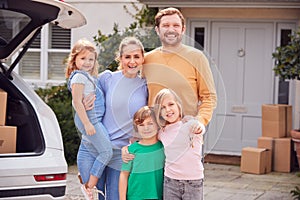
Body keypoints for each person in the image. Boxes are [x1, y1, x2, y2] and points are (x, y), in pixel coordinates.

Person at [81, 36, 148, 200]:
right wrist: (84, 103)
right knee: (95, 195)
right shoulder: (107, 78)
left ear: (142, 58)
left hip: (121, 153)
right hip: (96, 148)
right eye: (127, 57)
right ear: (120, 58)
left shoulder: (145, 86)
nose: (132, 61)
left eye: (136, 57)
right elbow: (88, 98)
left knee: (116, 197)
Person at [143, 7, 217, 127]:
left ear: (183, 29)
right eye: (166, 25)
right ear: (157, 30)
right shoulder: (147, 59)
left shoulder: (197, 57)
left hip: (186, 132)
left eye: (176, 25)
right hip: (154, 133)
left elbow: (209, 97)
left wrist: (199, 121)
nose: (171, 30)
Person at [65, 38, 112, 200]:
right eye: (83, 58)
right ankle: (89, 186)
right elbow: (77, 102)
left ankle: (84, 177)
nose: (87, 62)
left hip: (94, 119)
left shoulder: (88, 77)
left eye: (91, 59)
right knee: (107, 151)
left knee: (98, 148)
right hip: (91, 119)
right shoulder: (79, 77)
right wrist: (87, 123)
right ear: (75, 59)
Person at [154, 88, 205, 200]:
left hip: (193, 182)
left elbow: (200, 127)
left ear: (178, 105)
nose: (167, 109)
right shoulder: (162, 132)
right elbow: (146, 141)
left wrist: (198, 128)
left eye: (171, 104)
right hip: (170, 181)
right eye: (162, 107)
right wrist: (128, 147)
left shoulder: (189, 124)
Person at [119, 106, 165, 200]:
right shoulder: (131, 150)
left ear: (158, 124)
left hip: (158, 196)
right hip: (134, 197)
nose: (146, 128)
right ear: (136, 128)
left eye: (150, 123)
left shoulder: (163, 147)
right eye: (141, 125)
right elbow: (124, 175)